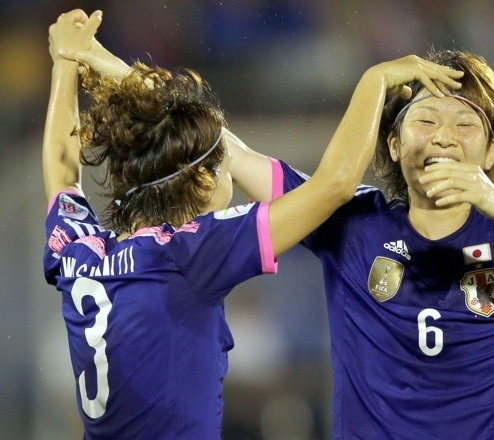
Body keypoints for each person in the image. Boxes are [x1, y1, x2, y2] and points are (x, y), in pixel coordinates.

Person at [43, 10, 465, 439]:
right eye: (222, 164)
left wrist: (68, 62)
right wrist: (374, 81)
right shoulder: (192, 251)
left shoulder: (80, 251)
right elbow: (334, 186)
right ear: (202, 181)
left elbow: (60, 173)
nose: (232, 165)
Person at [227, 51, 494, 438]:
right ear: (395, 144)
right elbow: (235, 156)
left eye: (465, 123)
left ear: (491, 152)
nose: (443, 137)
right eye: (426, 119)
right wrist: (375, 80)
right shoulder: (352, 219)